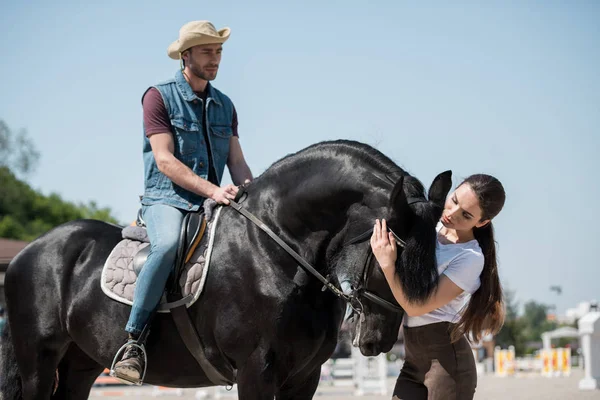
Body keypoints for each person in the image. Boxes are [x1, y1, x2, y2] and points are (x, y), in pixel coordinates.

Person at [113, 20, 253, 383]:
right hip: (167, 199)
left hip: (214, 200)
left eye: (219, 51)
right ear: (185, 55)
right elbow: (164, 160)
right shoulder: (157, 97)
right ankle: (134, 341)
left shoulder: (225, 105)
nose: (215, 59)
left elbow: (236, 162)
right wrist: (212, 190)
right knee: (168, 245)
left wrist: (255, 194)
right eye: (207, 51)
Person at [370, 173, 506, 399]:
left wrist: (387, 265)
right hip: (412, 362)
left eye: (466, 215)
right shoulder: (428, 228)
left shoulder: (470, 257)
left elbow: (415, 308)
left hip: (447, 367)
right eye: (454, 201)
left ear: (482, 222)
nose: (452, 214)